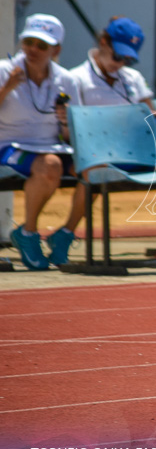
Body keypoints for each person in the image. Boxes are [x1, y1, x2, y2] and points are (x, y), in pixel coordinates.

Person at [61, 16, 156, 256]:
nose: (121, 63)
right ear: (104, 42)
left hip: (136, 153)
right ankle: (65, 234)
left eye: (128, 59)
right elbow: (69, 129)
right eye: (118, 56)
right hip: (93, 154)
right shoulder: (76, 78)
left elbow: (150, 114)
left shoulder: (133, 78)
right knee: (94, 167)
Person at [0, 14, 82, 270]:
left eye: (42, 45)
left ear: (56, 49)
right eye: (28, 42)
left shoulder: (67, 79)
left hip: (52, 147)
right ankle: (28, 233)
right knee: (50, 166)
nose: (33, 50)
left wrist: (65, 122)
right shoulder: (4, 70)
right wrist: (7, 88)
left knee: (93, 169)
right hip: (8, 145)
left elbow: (72, 135)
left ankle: (65, 233)